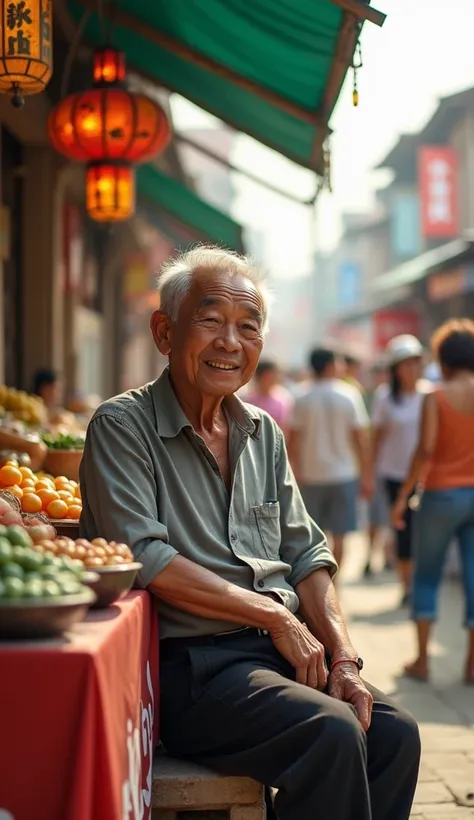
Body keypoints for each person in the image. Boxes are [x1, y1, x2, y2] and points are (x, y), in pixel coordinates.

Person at [80, 247, 420, 820]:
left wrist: (343, 657)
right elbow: (144, 555)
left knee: (394, 735)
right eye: (210, 321)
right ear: (164, 332)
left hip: (276, 658)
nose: (230, 342)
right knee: (332, 734)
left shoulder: (262, 430)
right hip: (193, 668)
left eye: (247, 327)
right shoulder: (122, 425)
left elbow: (307, 552)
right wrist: (277, 617)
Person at [391, 319, 474, 683]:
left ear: (443, 358)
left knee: (426, 576)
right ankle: (472, 665)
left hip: (439, 494)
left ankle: (422, 661)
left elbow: (424, 450)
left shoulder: (435, 396)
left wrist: (403, 495)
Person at [290, 347, 372, 568]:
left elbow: (294, 439)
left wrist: (294, 471)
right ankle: (334, 584)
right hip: (344, 474)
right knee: (340, 535)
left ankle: (319, 582)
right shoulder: (349, 393)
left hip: (311, 474)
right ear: (330, 366)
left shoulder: (301, 396)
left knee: (313, 537)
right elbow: (360, 439)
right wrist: (366, 475)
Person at [372, 335, 431, 606]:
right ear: (396, 368)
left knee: (426, 532)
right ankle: (407, 586)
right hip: (395, 474)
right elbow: (377, 438)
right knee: (403, 533)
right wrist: (368, 474)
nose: (411, 369)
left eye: (415, 363)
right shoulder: (385, 398)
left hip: (428, 476)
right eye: (405, 364)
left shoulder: (431, 394)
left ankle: (423, 584)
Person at [364, 363, 392, 577]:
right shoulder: (378, 396)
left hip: (405, 469)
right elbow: (373, 436)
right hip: (382, 467)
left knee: (395, 520)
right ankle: (370, 556)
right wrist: (368, 469)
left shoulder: (422, 394)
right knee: (375, 518)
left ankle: (389, 557)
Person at [244, 360, 294, 439]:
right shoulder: (246, 400)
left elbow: (286, 429)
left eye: (274, 376)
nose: (272, 380)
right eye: (267, 377)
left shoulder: (283, 400)